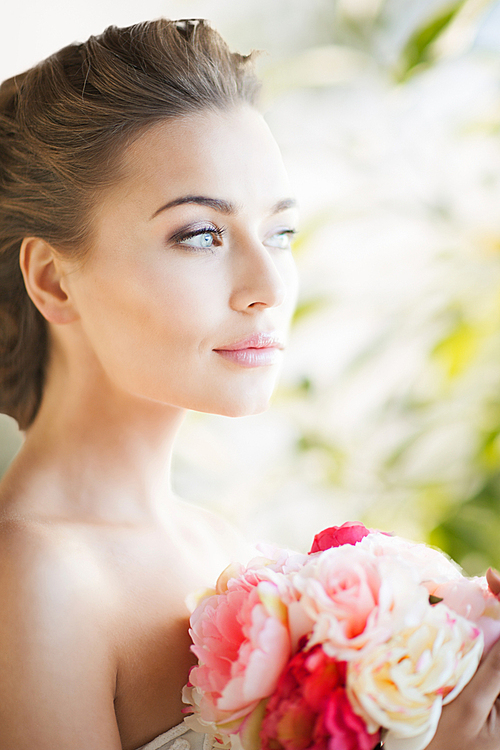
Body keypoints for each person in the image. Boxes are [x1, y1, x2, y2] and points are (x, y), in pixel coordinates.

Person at [0, 17, 499, 750]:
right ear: (53, 279)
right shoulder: (31, 579)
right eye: (201, 233)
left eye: (281, 234)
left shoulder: (222, 546)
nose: (267, 286)